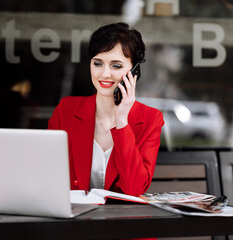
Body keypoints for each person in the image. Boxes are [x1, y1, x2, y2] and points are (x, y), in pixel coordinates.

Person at [48, 22, 164, 196]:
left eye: (116, 66)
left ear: (134, 72)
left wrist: (122, 122)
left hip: (120, 220)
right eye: (98, 63)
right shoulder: (66, 110)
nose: (105, 74)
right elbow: (48, 174)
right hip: (73, 218)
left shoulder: (150, 119)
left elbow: (134, 189)